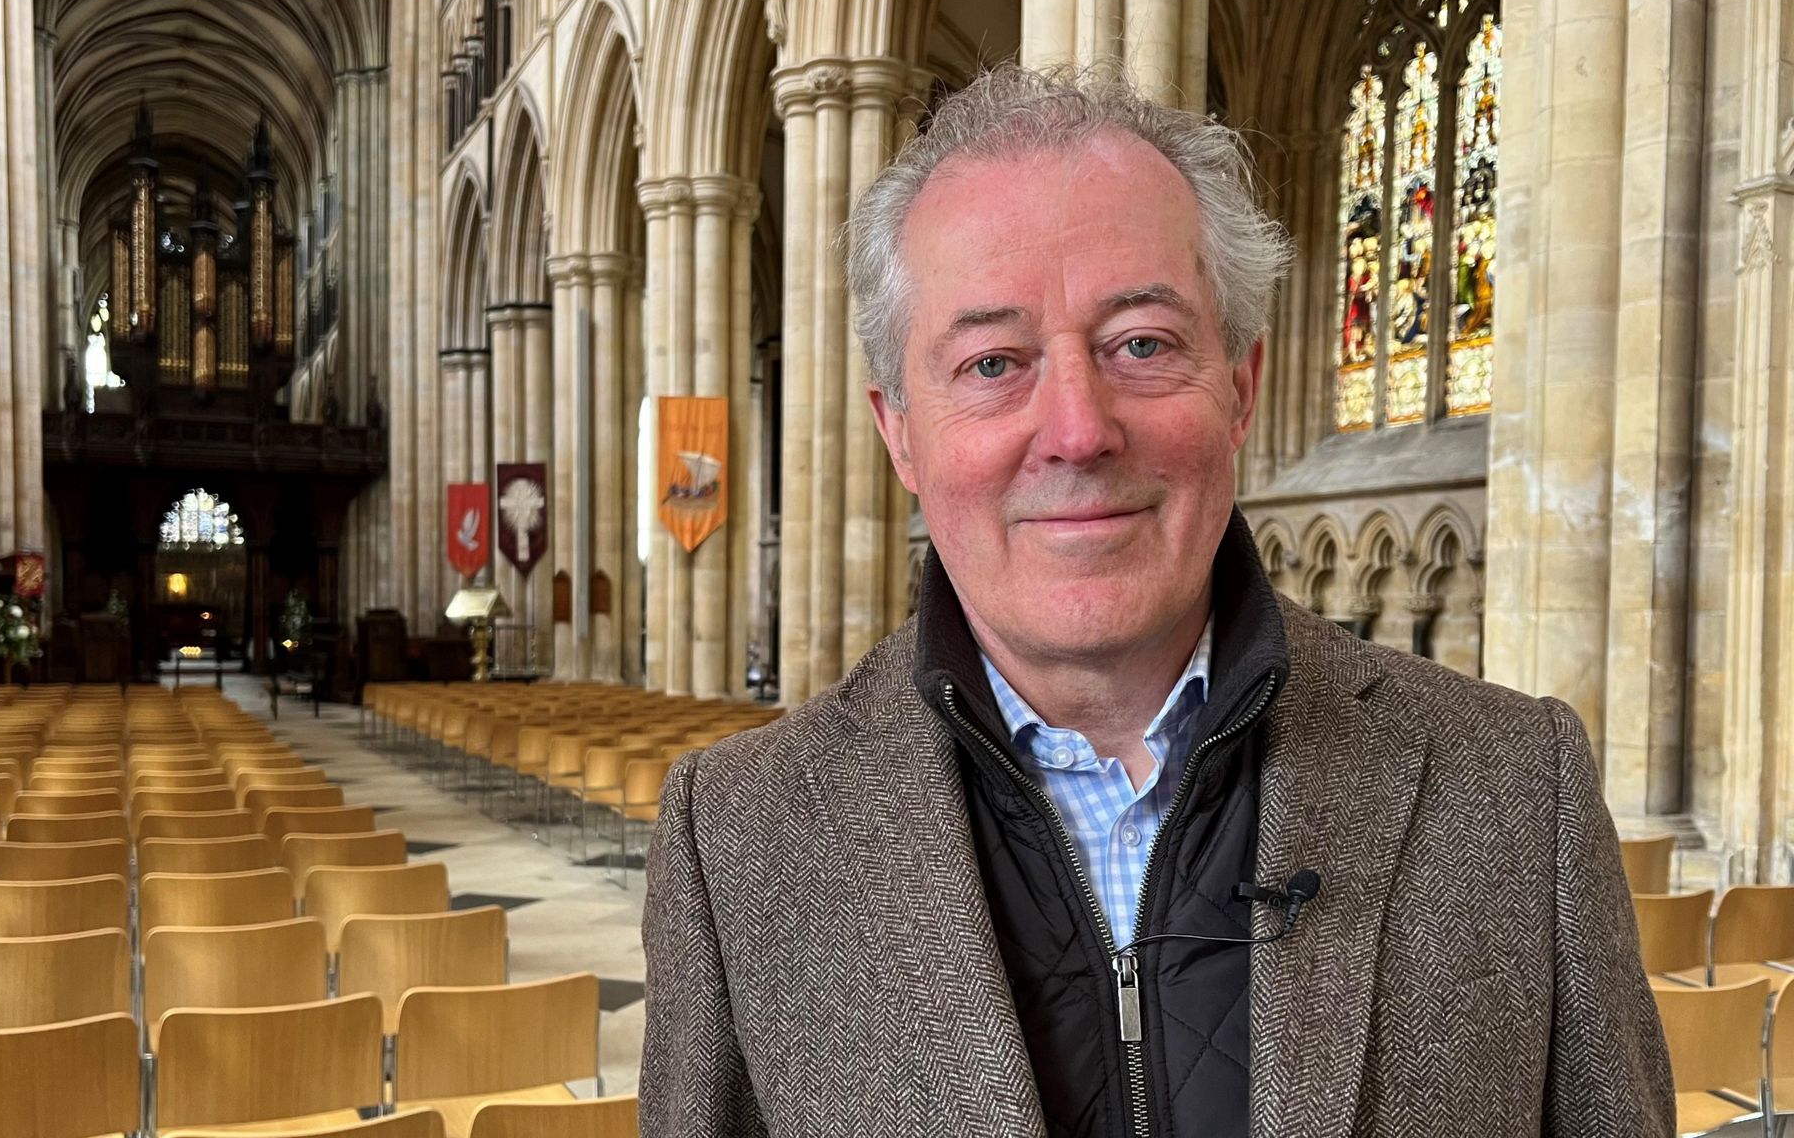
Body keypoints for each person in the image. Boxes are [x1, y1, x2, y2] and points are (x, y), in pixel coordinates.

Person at [638, 63, 1672, 1137]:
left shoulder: (1511, 788)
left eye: (1141, 344)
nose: (1077, 430)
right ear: (898, 429)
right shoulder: (739, 839)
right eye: (992, 362)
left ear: (1240, 387)